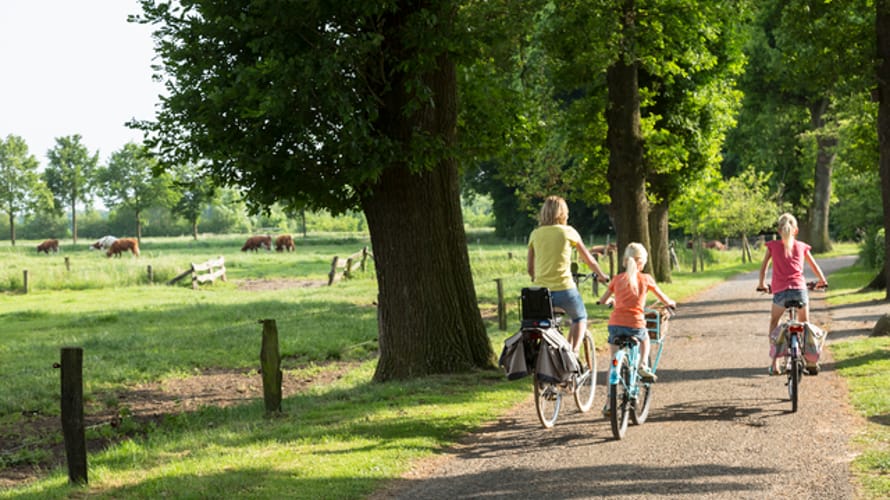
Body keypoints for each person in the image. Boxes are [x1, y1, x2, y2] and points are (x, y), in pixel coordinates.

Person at [527, 195, 608, 353]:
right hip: (565, 290)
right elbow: (589, 260)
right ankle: (574, 353)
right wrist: (601, 275)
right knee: (579, 318)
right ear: (563, 213)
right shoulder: (569, 232)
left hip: (540, 293)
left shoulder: (535, 234)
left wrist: (535, 278)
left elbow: (530, 267)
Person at [757, 212, 828, 375]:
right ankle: (810, 361)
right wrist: (822, 281)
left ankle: (775, 363)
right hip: (799, 291)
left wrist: (761, 284)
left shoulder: (772, 246)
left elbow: (763, 268)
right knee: (805, 324)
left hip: (780, 292)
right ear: (795, 230)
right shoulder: (802, 246)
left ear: (779, 230)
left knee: (775, 322)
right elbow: (815, 266)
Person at [597, 242, 676, 384]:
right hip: (635, 325)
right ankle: (643, 364)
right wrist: (670, 302)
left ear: (625, 261)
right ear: (643, 262)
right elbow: (662, 297)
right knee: (645, 339)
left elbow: (603, 300)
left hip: (615, 325)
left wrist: (611, 301)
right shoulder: (646, 279)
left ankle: (610, 399)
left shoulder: (617, 279)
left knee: (613, 360)